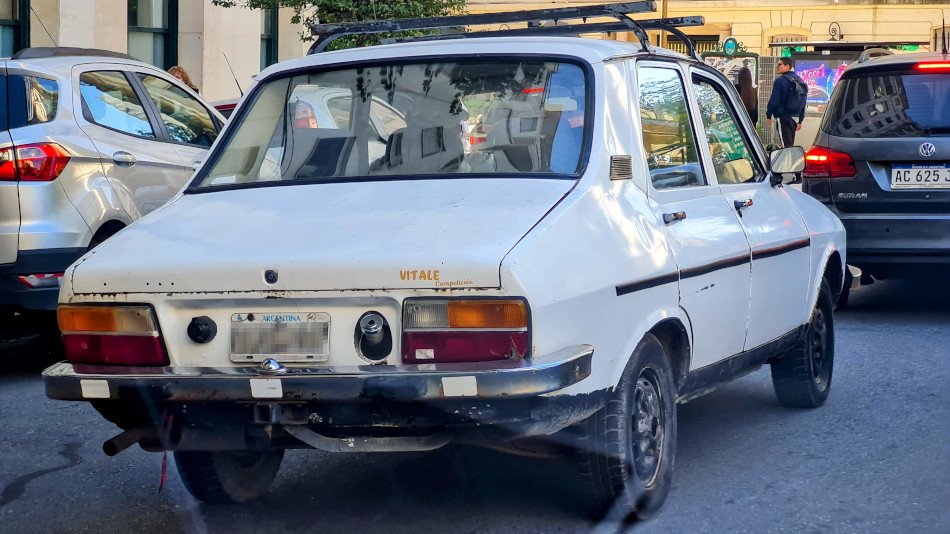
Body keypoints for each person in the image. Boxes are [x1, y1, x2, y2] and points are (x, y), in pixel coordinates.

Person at [766, 58, 807, 147]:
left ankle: (788, 160)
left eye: (780, 64)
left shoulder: (780, 81)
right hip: (795, 117)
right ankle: (791, 159)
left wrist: (769, 114)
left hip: (783, 116)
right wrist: (800, 120)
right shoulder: (800, 80)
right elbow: (803, 101)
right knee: (790, 143)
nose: (777, 67)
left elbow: (774, 99)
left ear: (787, 66)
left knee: (786, 146)